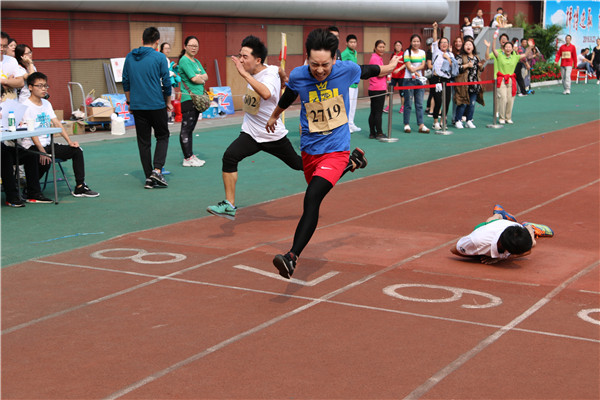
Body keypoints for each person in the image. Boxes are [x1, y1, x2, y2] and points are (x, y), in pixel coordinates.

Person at [265, 28, 399, 279]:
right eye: (314, 64)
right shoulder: (298, 75)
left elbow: (369, 70)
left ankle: (292, 257)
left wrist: (390, 66)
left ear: (335, 59)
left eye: (325, 65)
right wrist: (275, 113)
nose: (319, 70)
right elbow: (292, 91)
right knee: (314, 187)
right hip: (310, 151)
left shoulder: (345, 70)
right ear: (307, 59)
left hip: (336, 149)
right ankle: (353, 162)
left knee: (312, 198)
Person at [206, 36, 304, 220]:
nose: (241, 60)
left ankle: (339, 166)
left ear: (257, 60)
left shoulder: (266, 75)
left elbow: (266, 93)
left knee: (299, 165)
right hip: (251, 133)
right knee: (229, 157)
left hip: (271, 134)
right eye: (240, 56)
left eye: (245, 57)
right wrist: (284, 80)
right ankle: (229, 205)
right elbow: (280, 70)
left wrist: (244, 74)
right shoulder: (273, 69)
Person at [21, 72, 100, 197]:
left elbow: (57, 123)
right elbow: (31, 133)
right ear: (30, 87)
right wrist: (42, 151)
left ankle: (80, 186)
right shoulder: (25, 106)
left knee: (76, 150)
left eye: (45, 86)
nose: (43, 89)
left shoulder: (47, 104)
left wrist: (69, 142)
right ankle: (30, 187)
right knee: (42, 160)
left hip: (48, 144)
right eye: (40, 86)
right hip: (31, 146)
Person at [122, 26, 172, 189]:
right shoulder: (159, 57)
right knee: (162, 135)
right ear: (157, 42)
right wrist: (168, 101)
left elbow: (126, 81)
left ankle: (148, 177)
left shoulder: (130, 57)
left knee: (143, 142)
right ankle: (157, 170)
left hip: (138, 105)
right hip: (156, 103)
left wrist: (129, 102)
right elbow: (166, 82)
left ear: (142, 40)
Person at [450, 204, 553, 265]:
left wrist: (499, 258)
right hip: (489, 227)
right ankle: (499, 215)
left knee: (533, 243)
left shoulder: (516, 236)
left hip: (512, 227)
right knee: (489, 221)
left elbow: (528, 251)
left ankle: (529, 228)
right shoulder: (477, 241)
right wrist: (478, 255)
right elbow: (454, 250)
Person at [485, 35, 532, 124]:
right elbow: (493, 49)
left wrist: (529, 46)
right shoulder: (500, 56)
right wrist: (494, 39)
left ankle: (508, 117)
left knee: (510, 99)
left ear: (512, 49)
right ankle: (502, 118)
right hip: (501, 79)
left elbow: (525, 54)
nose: (508, 48)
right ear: (504, 48)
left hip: (511, 80)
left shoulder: (515, 57)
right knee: (503, 98)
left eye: (509, 47)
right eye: (506, 47)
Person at [177, 35, 208, 167]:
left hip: (197, 98)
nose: (194, 48)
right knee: (186, 128)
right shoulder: (184, 60)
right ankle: (187, 158)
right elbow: (194, 79)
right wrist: (200, 78)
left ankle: (190, 155)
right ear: (185, 47)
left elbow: (206, 76)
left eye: (196, 46)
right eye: (191, 46)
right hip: (188, 98)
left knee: (191, 129)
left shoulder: (196, 61)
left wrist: (200, 77)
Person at [430, 22, 457, 131]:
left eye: (446, 42)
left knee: (447, 101)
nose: (444, 44)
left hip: (447, 80)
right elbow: (435, 39)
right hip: (437, 79)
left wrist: (448, 58)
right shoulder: (436, 51)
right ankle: (435, 121)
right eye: (442, 42)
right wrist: (435, 29)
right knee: (438, 101)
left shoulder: (451, 55)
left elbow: (454, 67)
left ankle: (443, 121)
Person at [454, 38, 485, 129]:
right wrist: (467, 65)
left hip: (475, 84)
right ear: (464, 47)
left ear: (473, 47)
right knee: (462, 102)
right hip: (464, 84)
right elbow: (457, 69)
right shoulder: (460, 57)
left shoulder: (476, 57)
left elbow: (481, 70)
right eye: (466, 44)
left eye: (470, 45)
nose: (468, 46)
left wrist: (481, 66)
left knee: (472, 104)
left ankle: (469, 120)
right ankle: (458, 120)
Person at [403, 34, 430, 134]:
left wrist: (416, 70)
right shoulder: (407, 52)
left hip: (419, 80)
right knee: (408, 103)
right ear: (411, 42)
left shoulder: (422, 52)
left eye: (418, 41)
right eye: (414, 41)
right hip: (408, 80)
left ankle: (421, 125)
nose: (416, 43)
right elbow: (408, 67)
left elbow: (423, 65)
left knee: (419, 104)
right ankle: (406, 124)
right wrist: (414, 70)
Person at [340, 34, 361, 132]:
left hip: (355, 82)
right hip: (348, 84)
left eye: (354, 42)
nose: (353, 44)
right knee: (348, 104)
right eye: (351, 42)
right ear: (346, 43)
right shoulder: (344, 54)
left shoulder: (355, 52)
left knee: (353, 104)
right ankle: (346, 125)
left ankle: (351, 123)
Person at [368, 40, 387, 139]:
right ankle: (379, 133)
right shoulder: (375, 58)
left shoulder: (377, 58)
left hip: (376, 88)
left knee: (374, 111)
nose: (382, 49)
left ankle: (372, 133)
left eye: (383, 47)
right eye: (380, 47)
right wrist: (388, 70)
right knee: (378, 112)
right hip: (377, 88)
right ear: (375, 48)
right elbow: (379, 73)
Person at [1, 31, 25, 103]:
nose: (2, 49)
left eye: (5, 46)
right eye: (0, 45)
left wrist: (3, 81)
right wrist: (11, 82)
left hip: (12, 105)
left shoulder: (12, 60)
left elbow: (21, 83)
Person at [385, 40, 405, 115]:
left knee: (402, 93)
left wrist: (399, 69)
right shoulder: (393, 55)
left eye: (399, 45)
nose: (398, 47)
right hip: (393, 76)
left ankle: (402, 107)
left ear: (401, 46)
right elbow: (390, 63)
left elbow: (406, 64)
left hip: (401, 76)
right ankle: (388, 106)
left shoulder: (403, 54)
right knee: (389, 91)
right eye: (396, 45)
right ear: (394, 47)